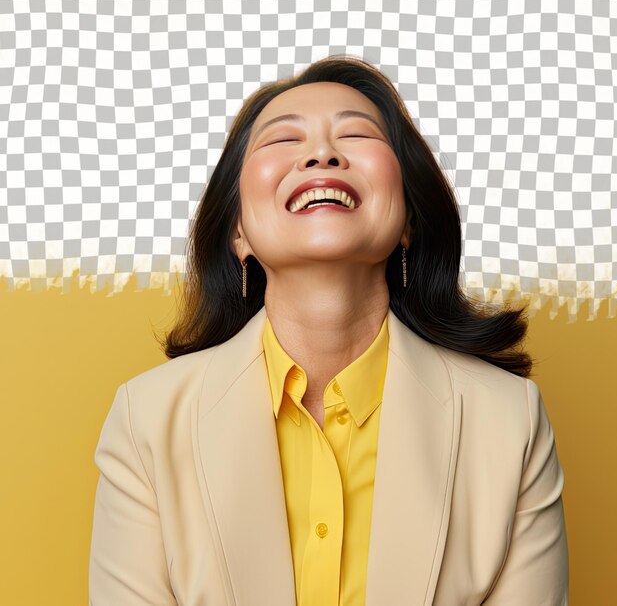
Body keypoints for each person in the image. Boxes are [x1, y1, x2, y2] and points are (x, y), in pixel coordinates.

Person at [88, 54, 569, 605]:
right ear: (238, 231)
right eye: (282, 141)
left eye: (356, 134)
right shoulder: (146, 423)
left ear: (409, 220)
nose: (321, 153)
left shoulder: (510, 423)